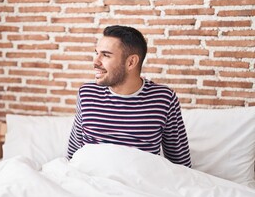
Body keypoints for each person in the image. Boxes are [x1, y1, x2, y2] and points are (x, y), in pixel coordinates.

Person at [67, 25, 192, 167]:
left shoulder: (163, 98)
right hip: (90, 181)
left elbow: (180, 163)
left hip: (137, 183)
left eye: (106, 55)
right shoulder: (87, 93)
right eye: (96, 53)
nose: (95, 62)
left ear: (131, 62)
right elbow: (73, 154)